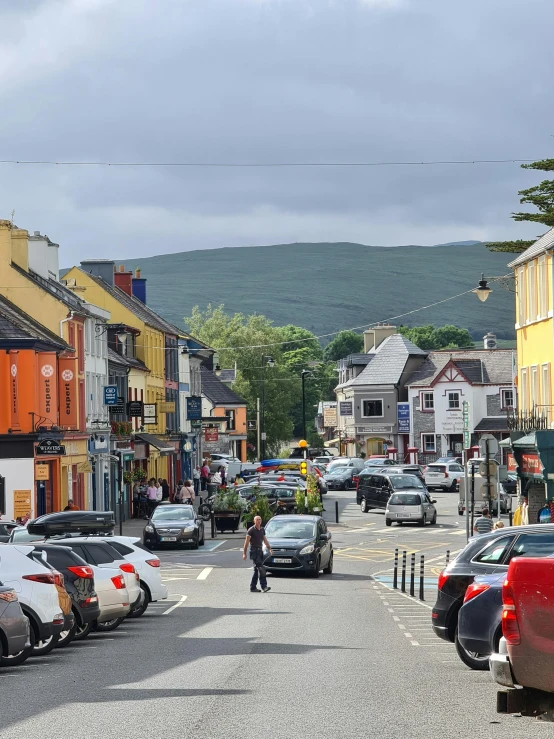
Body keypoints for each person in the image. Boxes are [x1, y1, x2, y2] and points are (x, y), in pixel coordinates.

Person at [242, 515, 273, 593]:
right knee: (261, 568)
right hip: (254, 551)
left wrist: (269, 549)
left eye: (260, 519)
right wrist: (244, 553)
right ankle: (264, 586)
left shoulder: (262, 529)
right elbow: (246, 543)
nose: (259, 521)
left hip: (260, 551)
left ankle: (253, 587)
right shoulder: (251, 530)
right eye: (257, 520)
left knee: (256, 570)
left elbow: (265, 540)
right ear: (254, 521)